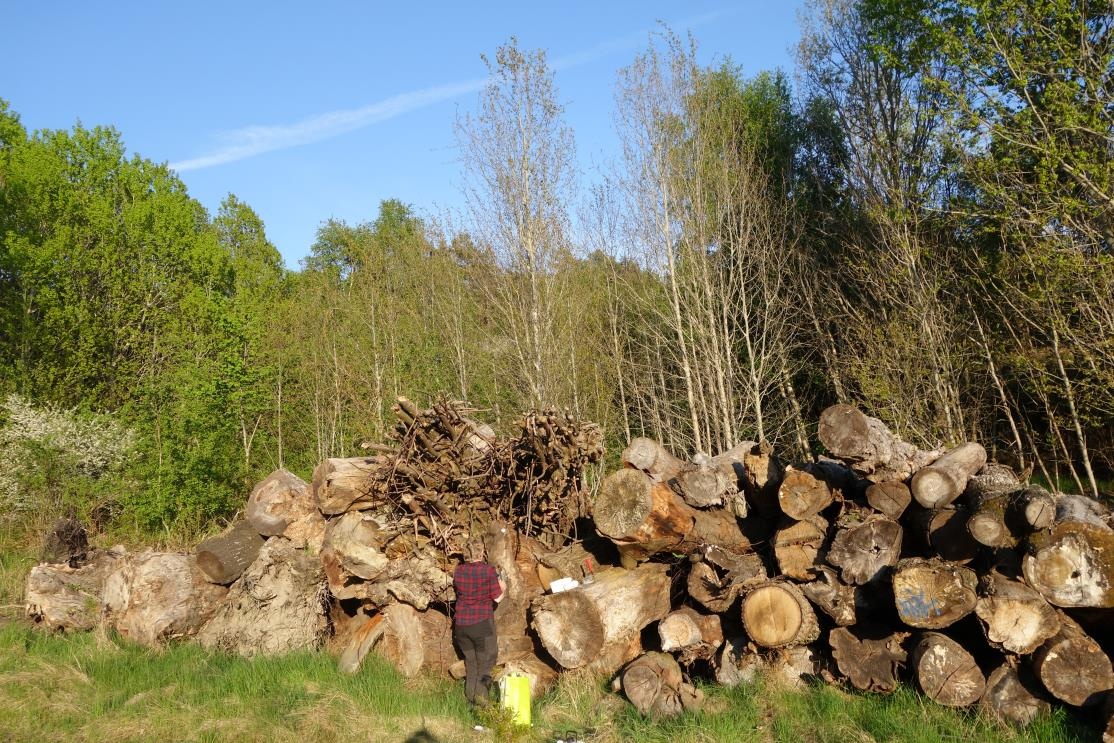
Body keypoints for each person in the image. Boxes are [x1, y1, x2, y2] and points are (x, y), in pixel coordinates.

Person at [452, 536, 505, 708]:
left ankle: (470, 700)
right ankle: (482, 704)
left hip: (461, 626)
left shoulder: (458, 571)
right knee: (486, 663)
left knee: (471, 662)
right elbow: (497, 598)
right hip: (481, 625)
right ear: (481, 552)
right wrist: (503, 586)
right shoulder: (488, 571)